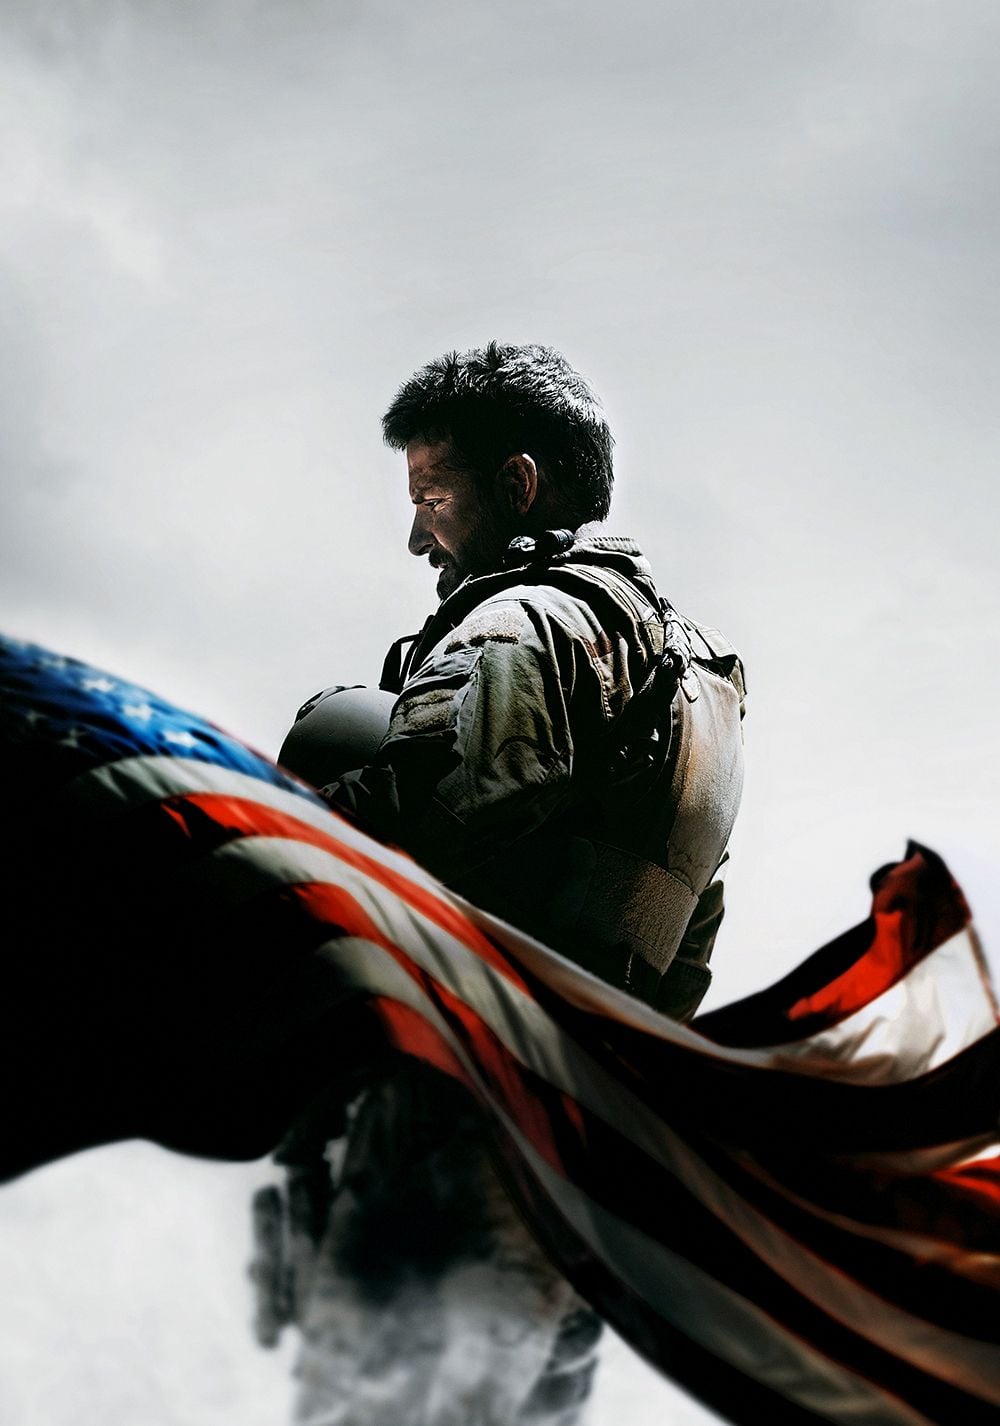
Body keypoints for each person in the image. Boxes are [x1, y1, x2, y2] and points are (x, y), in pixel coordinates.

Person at [250, 342, 747, 1425]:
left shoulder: (517, 627)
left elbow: (432, 837)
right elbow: (685, 934)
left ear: (517, 486)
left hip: (460, 1122)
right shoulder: (687, 671)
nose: (418, 530)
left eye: (434, 494)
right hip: (591, 1140)